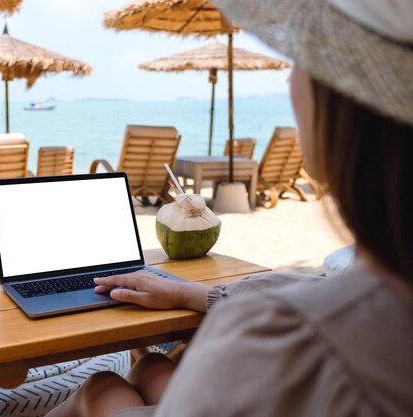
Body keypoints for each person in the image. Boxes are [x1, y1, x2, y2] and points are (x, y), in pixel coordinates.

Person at [46, 0, 413, 416]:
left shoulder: (279, 341)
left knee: (101, 388)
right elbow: (320, 286)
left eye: (301, 59)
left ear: (350, 100)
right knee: (150, 363)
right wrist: (191, 292)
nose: (292, 76)